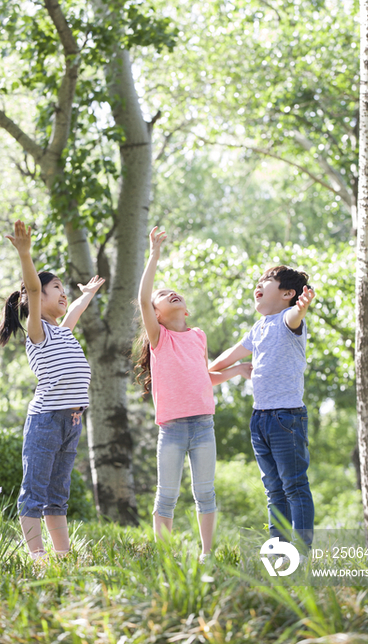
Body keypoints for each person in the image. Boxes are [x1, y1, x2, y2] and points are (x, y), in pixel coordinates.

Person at [135, 227, 252, 560]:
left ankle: (207, 554)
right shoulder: (160, 339)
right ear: (156, 315)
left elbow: (204, 376)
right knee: (166, 496)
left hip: (203, 426)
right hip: (171, 431)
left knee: (205, 492)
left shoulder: (197, 336)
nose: (172, 293)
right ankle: (164, 555)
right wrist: (154, 253)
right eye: (164, 294)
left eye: (176, 293)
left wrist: (236, 371)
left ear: (185, 310)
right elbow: (143, 298)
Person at [0, 220, 105, 560]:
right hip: (46, 421)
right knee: (35, 492)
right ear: (35, 299)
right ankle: (37, 557)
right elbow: (30, 287)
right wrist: (25, 256)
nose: (63, 293)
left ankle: (62, 555)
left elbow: (72, 312)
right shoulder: (38, 332)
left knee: (58, 494)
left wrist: (85, 296)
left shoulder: (63, 332)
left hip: (72, 421)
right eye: (56, 287)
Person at [209, 265, 315, 551]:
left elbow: (295, 315)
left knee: (294, 486)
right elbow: (221, 361)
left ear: (287, 294)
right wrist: (221, 368)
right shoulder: (258, 328)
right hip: (260, 419)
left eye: (266, 281)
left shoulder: (287, 319)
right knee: (274, 490)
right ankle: (279, 551)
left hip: (286, 418)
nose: (258, 285)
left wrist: (301, 306)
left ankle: (303, 552)